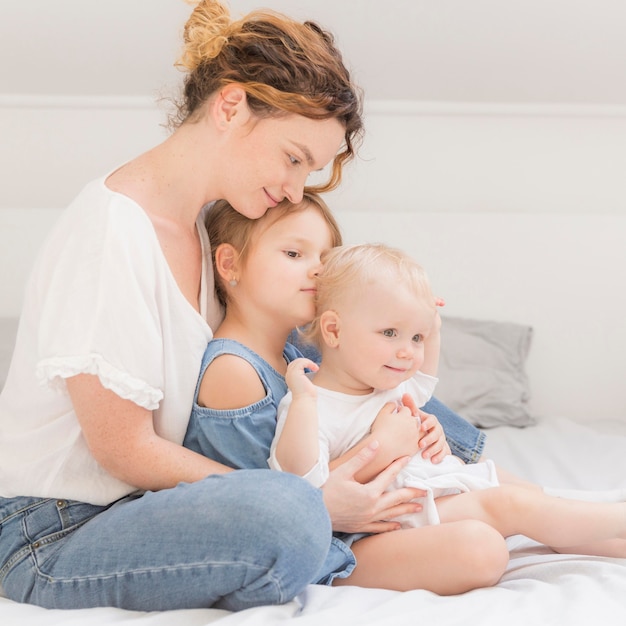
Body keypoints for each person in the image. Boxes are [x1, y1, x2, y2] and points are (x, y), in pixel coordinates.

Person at [0, 0, 420, 612]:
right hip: (52, 534)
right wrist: (314, 497)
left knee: (358, 358)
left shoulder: (204, 230)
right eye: (294, 157)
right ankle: (329, 539)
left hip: (144, 511)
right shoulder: (111, 232)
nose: (297, 189)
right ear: (230, 107)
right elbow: (124, 450)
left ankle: (482, 491)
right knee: (289, 510)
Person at [187, 196, 515, 594]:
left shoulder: (293, 350)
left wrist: (422, 432)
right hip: (319, 548)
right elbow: (273, 505)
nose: (317, 270)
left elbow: (387, 402)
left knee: (503, 503)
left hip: (356, 519)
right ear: (229, 264)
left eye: (325, 259)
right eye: (294, 253)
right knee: (483, 545)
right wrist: (384, 444)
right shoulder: (234, 370)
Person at [270, 242, 626, 590]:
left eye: (416, 338)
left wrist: (432, 328)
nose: (408, 352)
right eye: (390, 333)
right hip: (392, 519)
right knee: (511, 504)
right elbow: (302, 482)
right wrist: (302, 401)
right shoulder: (313, 403)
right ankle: (617, 517)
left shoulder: (385, 384)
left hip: (429, 502)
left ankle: (612, 536)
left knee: (542, 520)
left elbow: (423, 382)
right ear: (333, 330)